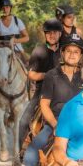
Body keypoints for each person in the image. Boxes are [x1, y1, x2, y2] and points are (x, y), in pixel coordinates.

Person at [22, 33, 83, 166]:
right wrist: (56, 125)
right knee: (31, 155)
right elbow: (44, 105)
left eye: (76, 52)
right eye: (68, 51)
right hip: (54, 124)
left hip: (80, 126)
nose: (72, 55)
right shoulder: (52, 75)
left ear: (81, 55)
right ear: (62, 53)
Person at [17, 18, 63, 151]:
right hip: (42, 91)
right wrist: (46, 75)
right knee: (23, 121)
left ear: (60, 33)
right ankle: (21, 153)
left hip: (63, 92)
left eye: (55, 32)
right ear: (45, 34)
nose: (52, 35)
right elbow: (31, 74)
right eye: (48, 33)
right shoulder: (39, 50)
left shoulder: (65, 51)